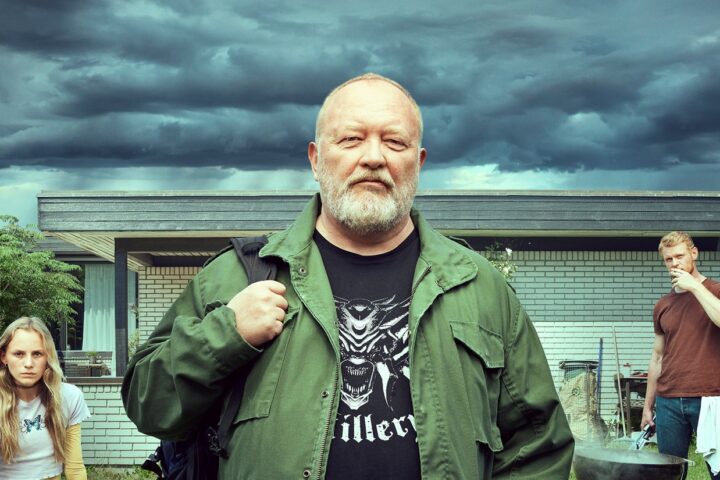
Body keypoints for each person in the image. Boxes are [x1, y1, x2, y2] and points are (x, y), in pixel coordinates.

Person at [122, 73, 574, 479]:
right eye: (351, 139)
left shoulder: (479, 287)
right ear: (316, 159)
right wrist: (225, 334)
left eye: (394, 142)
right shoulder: (236, 276)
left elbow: (539, 444)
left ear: (419, 162)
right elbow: (150, 407)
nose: (373, 157)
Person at [641, 231, 720, 479]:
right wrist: (647, 406)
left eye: (680, 256)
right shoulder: (663, 305)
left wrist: (694, 286)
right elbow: (657, 357)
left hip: (710, 397)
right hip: (669, 401)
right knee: (669, 473)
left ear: (694, 253)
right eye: (669, 259)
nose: (675, 263)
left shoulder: (716, 290)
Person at [0, 317, 91, 480]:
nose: (28, 363)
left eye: (37, 354)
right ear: (4, 356)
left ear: (47, 357)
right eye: (19, 354)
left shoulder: (68, 396)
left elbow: (75, 468)